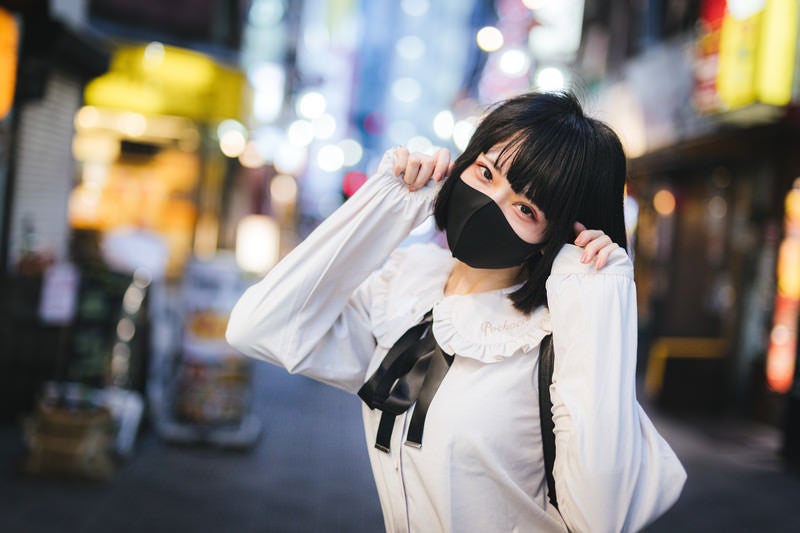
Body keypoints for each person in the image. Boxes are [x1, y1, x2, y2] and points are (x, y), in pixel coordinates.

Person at [226, 91, 686, 532]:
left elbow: (599, 519)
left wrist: (596, 303)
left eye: (525, 208)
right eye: (486, 173)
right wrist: (385, 207)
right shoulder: (407, 288)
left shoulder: (552, 338)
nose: (492, 203)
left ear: (559, 235)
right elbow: (258, 328)